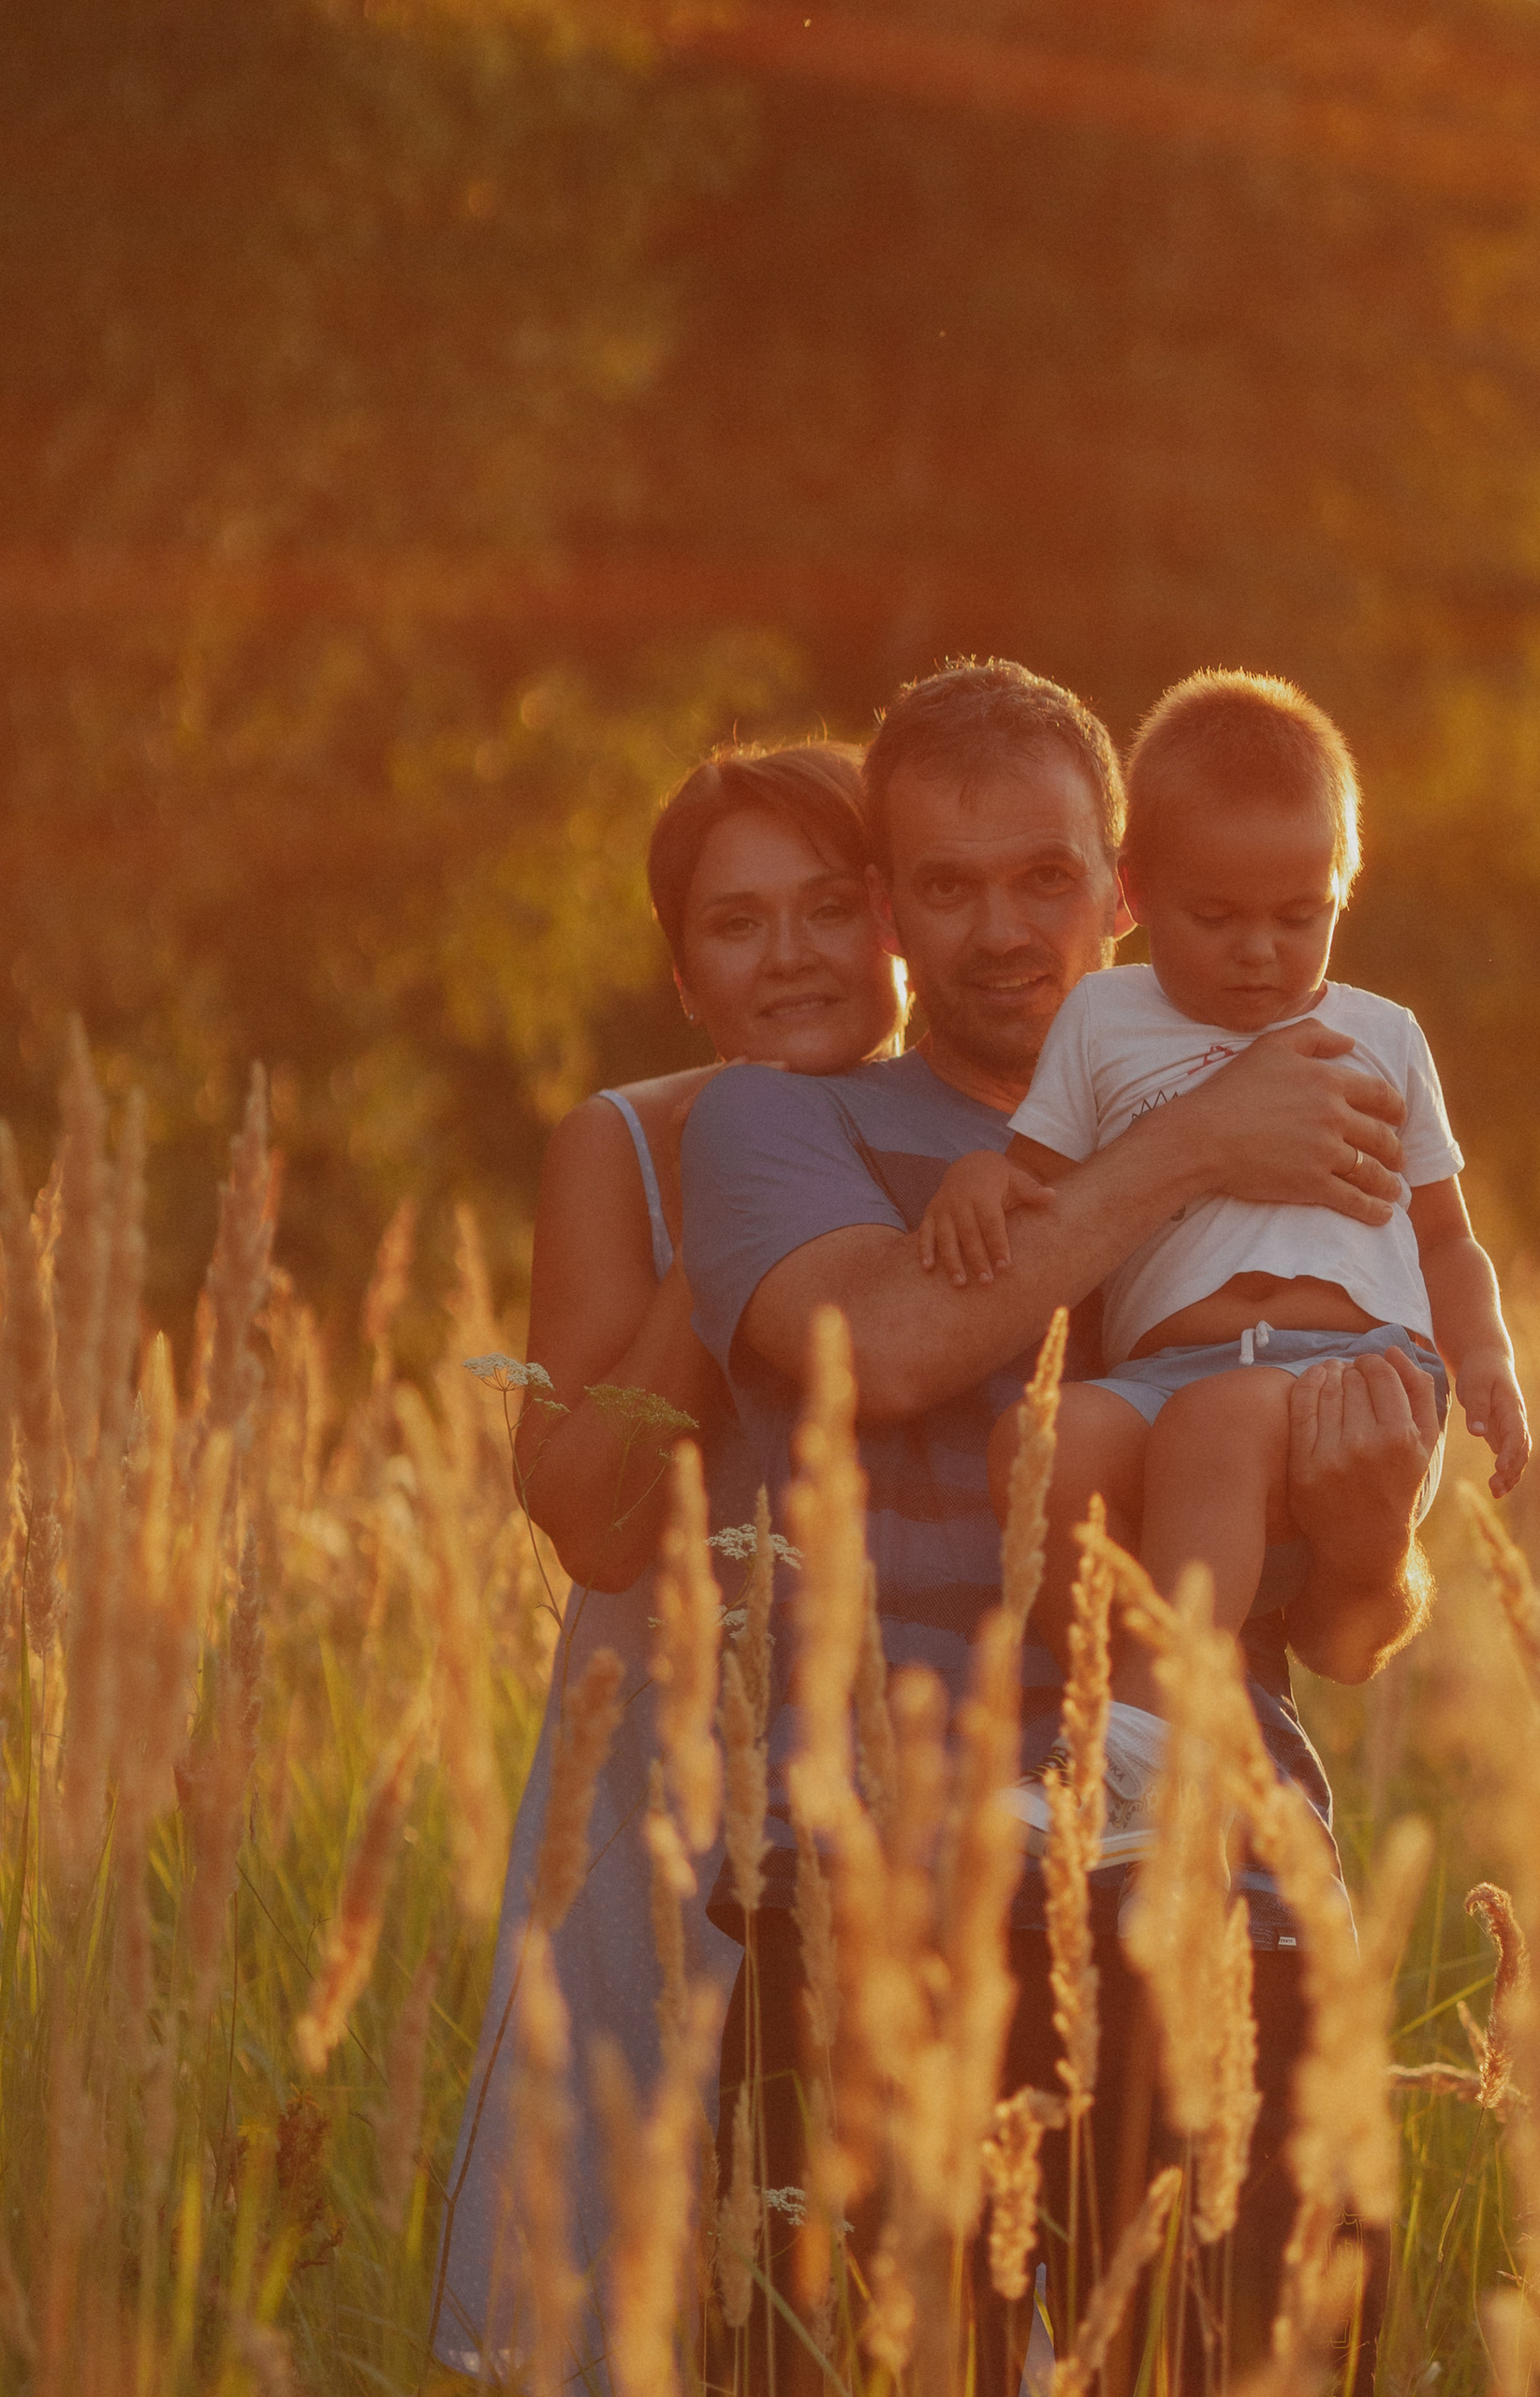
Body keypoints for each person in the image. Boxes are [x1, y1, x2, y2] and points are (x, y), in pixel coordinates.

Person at [678, 658, 1444, 2390]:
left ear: (1121, 887)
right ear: (886, 910)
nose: (1002, 929)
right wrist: (1182, 1150)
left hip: (1215, 1892)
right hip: (872, 1895)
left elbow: (1339, 1634)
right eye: (946, 886)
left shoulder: (1298, 1107)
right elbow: (884, 1344)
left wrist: (1384, 1526)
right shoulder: (778, 1125)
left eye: (1044, 878)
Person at [431, 743, 907, 2380]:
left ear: (894, 919)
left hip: (914, 1772)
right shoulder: (621, 1148)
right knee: (666, 2285)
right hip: (664, 1789)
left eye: (830, 908)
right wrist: (728, 1233)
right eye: (737, 923)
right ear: (684, 970)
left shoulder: (989, 1118)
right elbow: (586, 1510)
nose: (789, 957)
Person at [917, 669, 1528, 1847]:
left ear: (1346, 885)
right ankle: (1123, 1719)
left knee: (1220, 1425)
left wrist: (1486, 1351)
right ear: (1137, 893)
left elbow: (1446, 1236)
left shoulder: (1383, 1034)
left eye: (1298, 917)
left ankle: (1143, 1758)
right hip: (1163, 1378)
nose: (1259, 952)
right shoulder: (1102, 1020)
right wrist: (977, 1175)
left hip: (1350, 1366)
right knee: (1043, 1440)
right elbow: (1042, 1177)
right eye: (1216, 917)